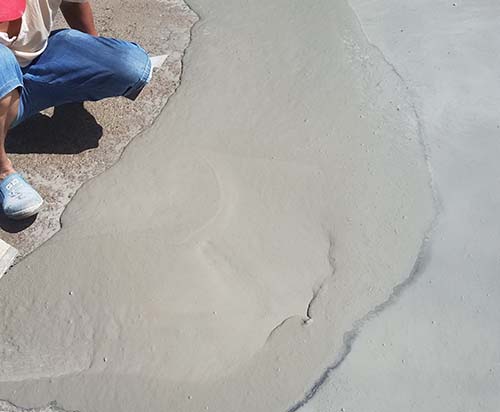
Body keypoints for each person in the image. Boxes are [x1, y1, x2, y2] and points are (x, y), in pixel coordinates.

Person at [0, 0, 151, 220]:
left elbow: (74, 3)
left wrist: (93, 52)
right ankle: (3, 171)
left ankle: (57, 89)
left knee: (131, 66)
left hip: (37, 64)